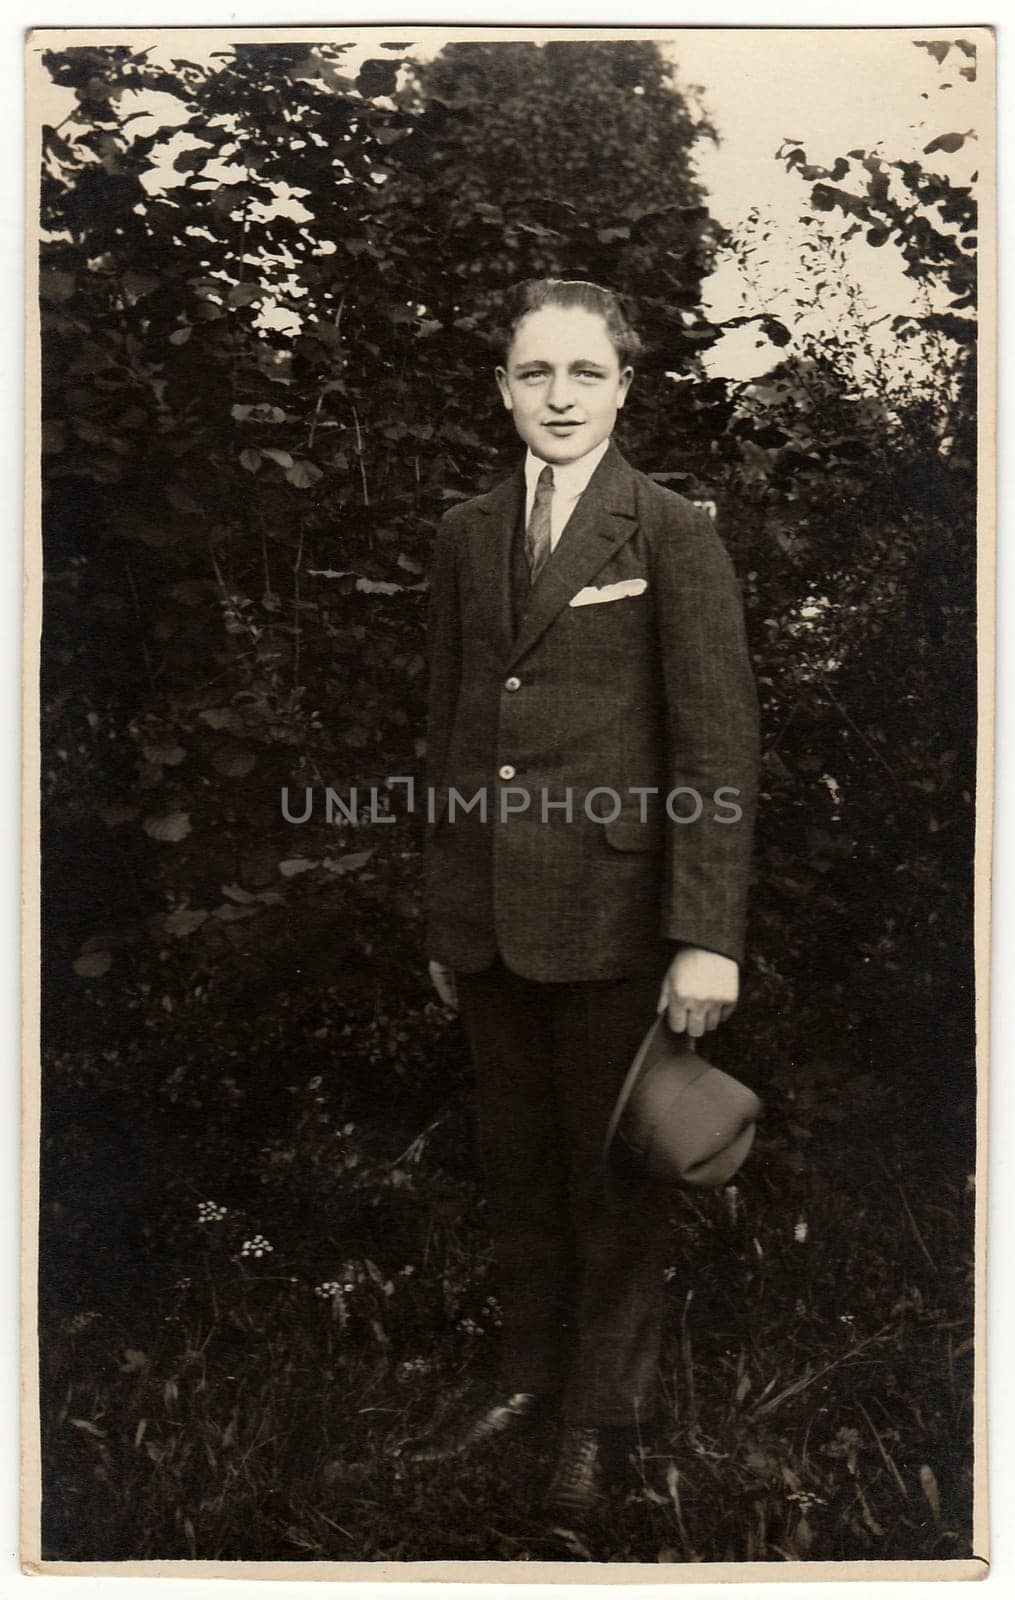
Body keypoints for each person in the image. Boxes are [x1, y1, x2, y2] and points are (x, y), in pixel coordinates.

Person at [416, 278, 759, 1516]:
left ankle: (598, 1425)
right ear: (501, 389)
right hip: (493, 917)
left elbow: (716, 745)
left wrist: (705, 937)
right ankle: (523, 1379)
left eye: (585, 374)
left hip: (617, 918)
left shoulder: (668, 530)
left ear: (625, 386)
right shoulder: (466, 531)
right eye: (535, 374)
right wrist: (447, 910)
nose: (559, 398)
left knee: (611, 1177)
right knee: (515, 1164)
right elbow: (453, 729)